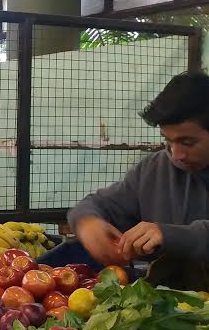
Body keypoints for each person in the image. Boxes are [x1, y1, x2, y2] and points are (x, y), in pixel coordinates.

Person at [66, 71, 209, 268]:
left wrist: (171, 235)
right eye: (168, 140)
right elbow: (100, 203)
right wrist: (88, 221)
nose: (176, 155)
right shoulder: (152, 170)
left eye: (188, 142)